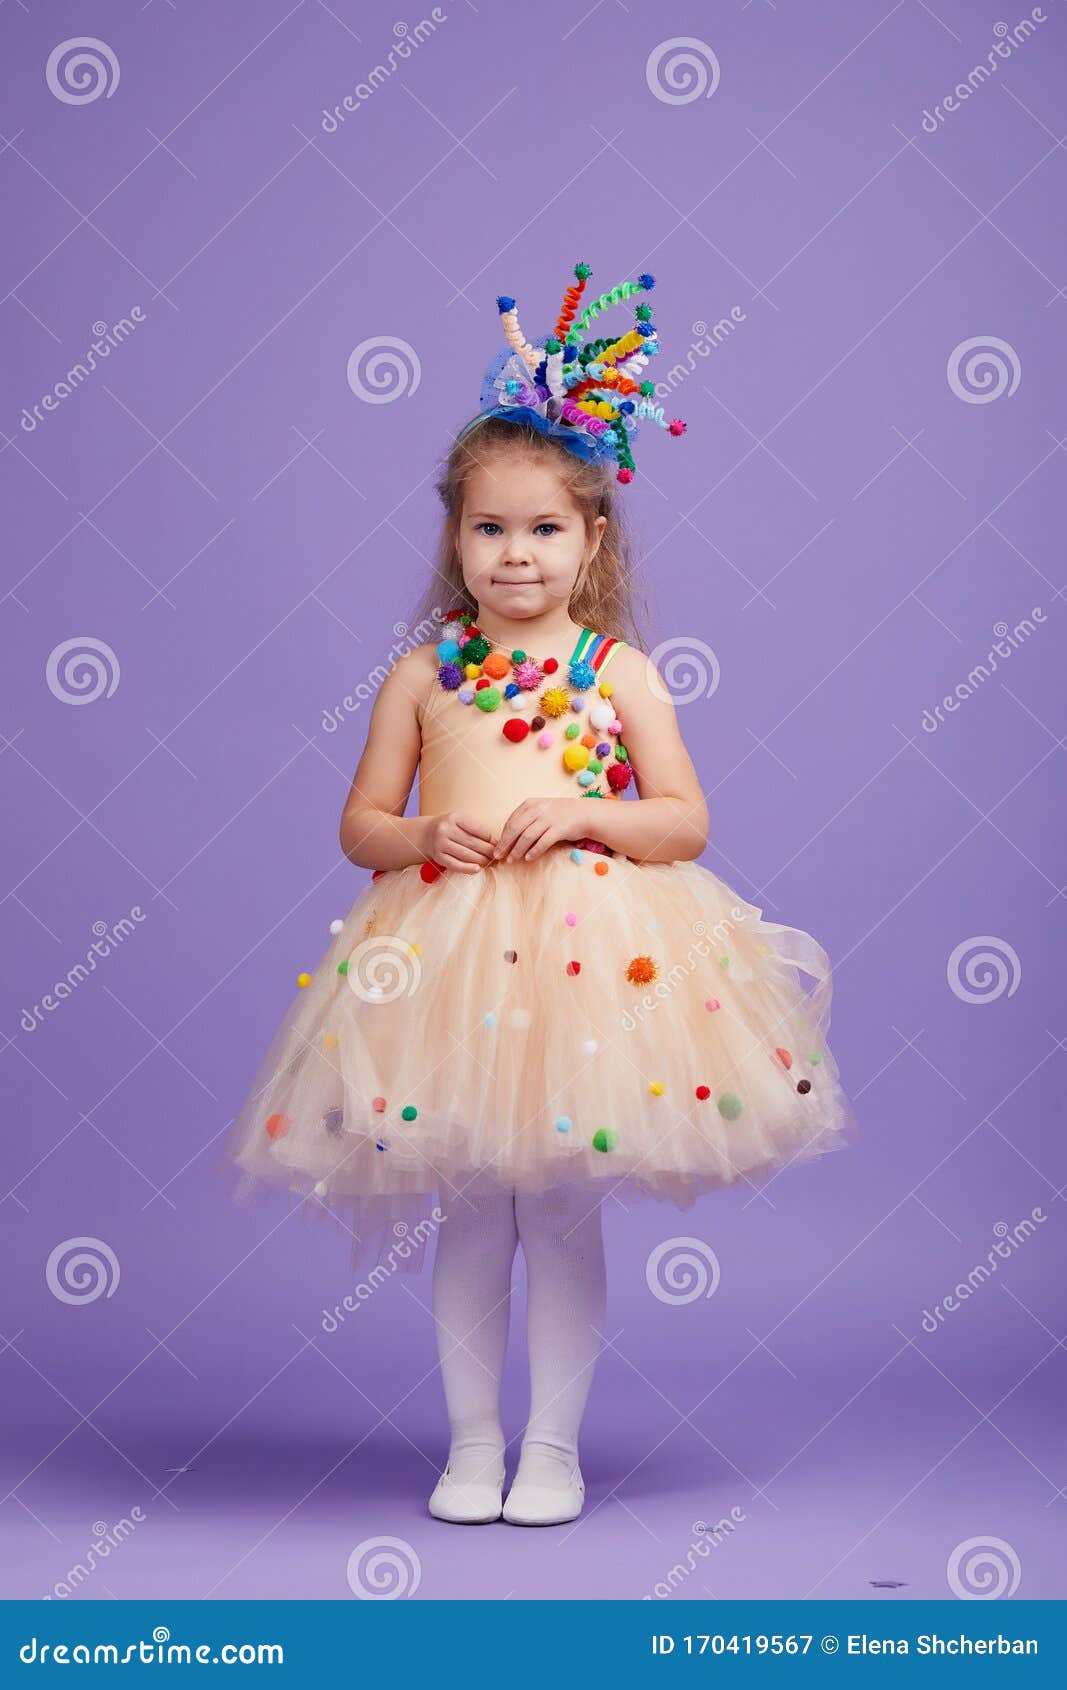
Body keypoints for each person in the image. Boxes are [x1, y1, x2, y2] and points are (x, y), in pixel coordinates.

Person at [219, 264, 857, 1528]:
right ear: (454, 537)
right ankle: (468, 1445)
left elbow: (683, 820)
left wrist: (583, 810)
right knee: (470, 1208)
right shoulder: (421, 672)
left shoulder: (616, 668)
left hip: (591, 957)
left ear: (592, 539)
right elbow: (357, 825)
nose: (516, 553)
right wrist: (418, 833)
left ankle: (551, 1449)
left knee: (559, 1206)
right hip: (445, 956)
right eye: (489, 529)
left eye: (544, 529)